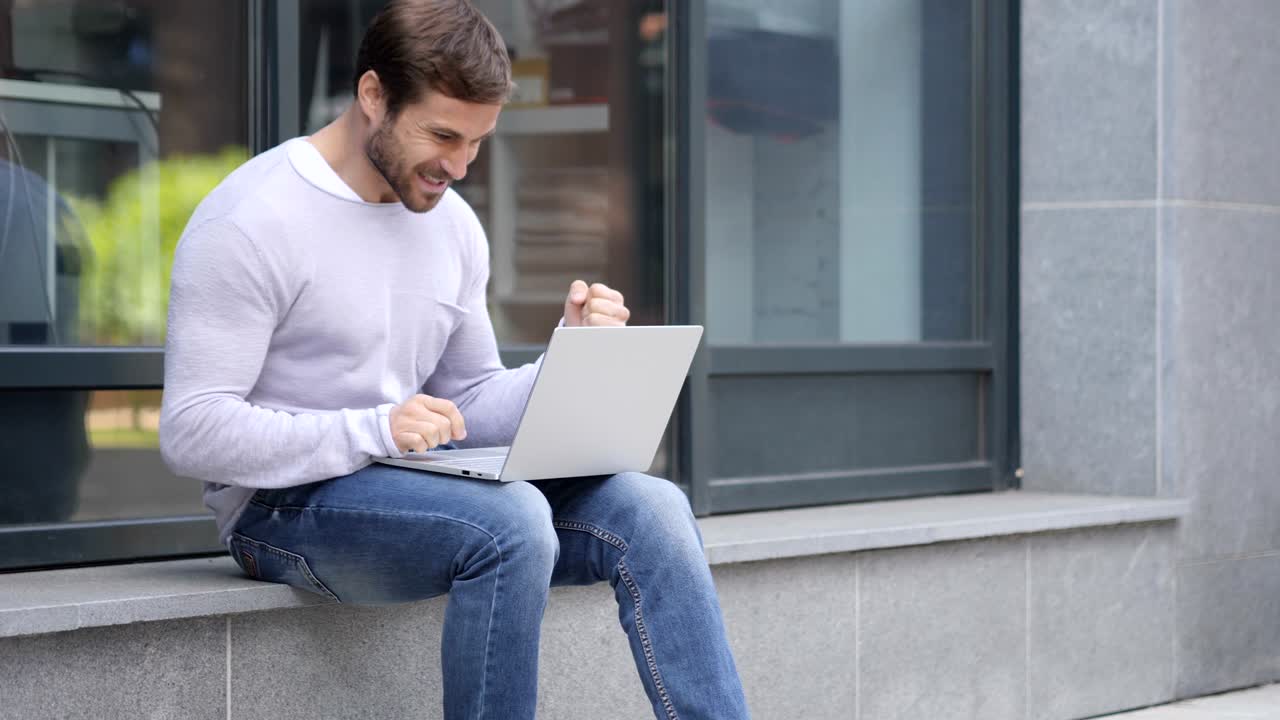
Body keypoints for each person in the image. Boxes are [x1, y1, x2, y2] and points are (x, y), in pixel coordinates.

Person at [157, 1, 749, 718]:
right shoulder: (251, 221)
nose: (460, 167)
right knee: (511, 522)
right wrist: (375, 430)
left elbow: (468, 398)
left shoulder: (452, 226)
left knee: (653, 506)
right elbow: (191, 430)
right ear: (373, 96)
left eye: (477, 142)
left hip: (416, 485)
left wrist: (568, 365)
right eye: (442, 135)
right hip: (279, 510)